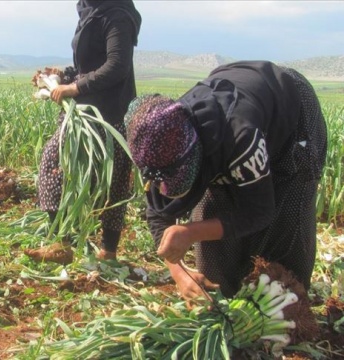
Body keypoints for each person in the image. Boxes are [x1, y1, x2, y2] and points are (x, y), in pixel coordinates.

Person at [125, 61, 327, 300]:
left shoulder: (239, 136)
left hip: (289, 115)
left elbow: (259, 211)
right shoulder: (159, 142)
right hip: (234, 124)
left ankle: (289, 310)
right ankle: (230, 304)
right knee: (212, 242)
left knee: (286, 228)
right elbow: (158, 211)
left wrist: (190, 232)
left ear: (196, 155)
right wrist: (179, 272)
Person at [26, 0, 142, 264]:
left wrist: (74, 88)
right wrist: (61, 76)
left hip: (108, 116)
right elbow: (88, 65)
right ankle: (62, 243)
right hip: (84, 113)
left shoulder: (117, 16)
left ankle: (108, 251)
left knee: (111, 181)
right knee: (56, 166)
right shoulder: (89, 11)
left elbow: (116, 66)